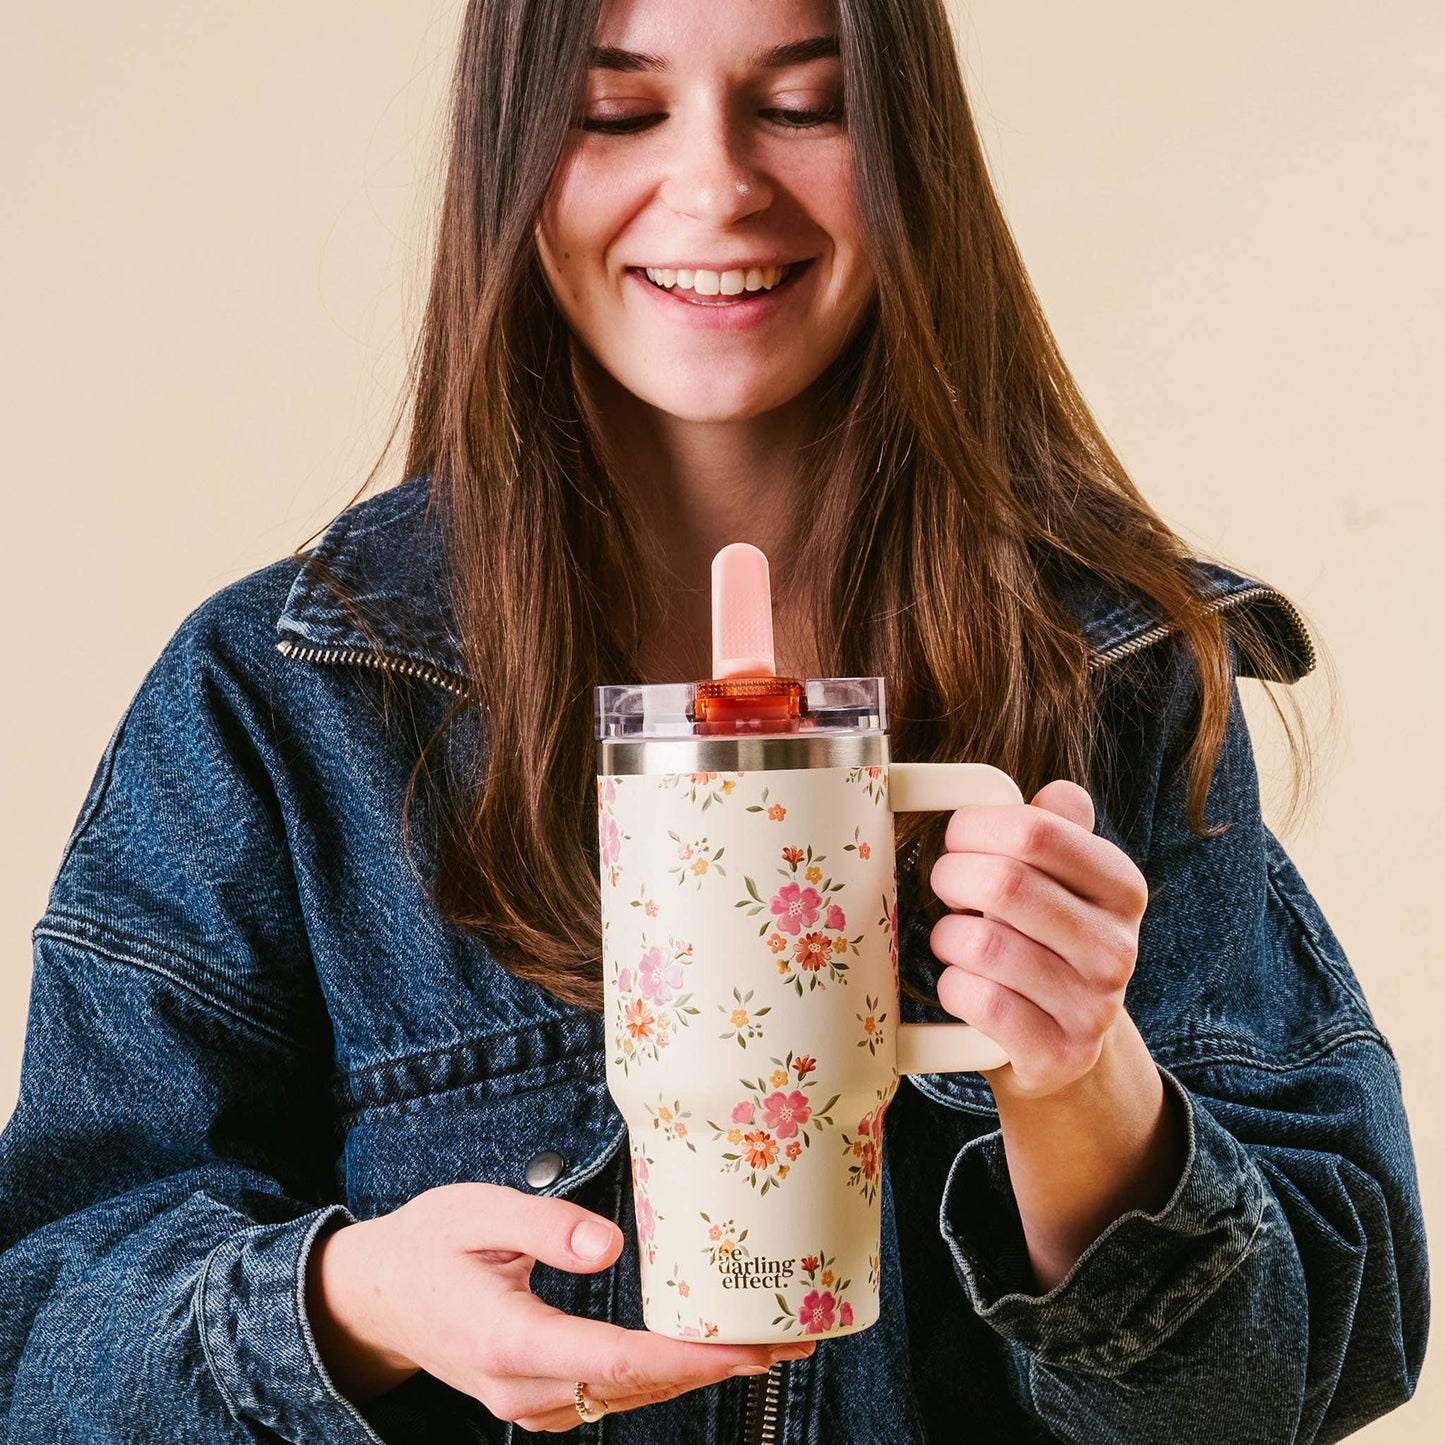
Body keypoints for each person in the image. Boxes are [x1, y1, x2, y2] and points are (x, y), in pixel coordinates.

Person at [0, 0, 1428, 1439]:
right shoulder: (282, 701)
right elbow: (40, 1336)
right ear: (512, 157)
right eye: (618, 113)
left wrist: (1080, 1089)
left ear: (908, 148)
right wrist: (355, 1303)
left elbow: (1280, 1389)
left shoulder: (1111, 677)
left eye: (801, 106)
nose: (716, 186)